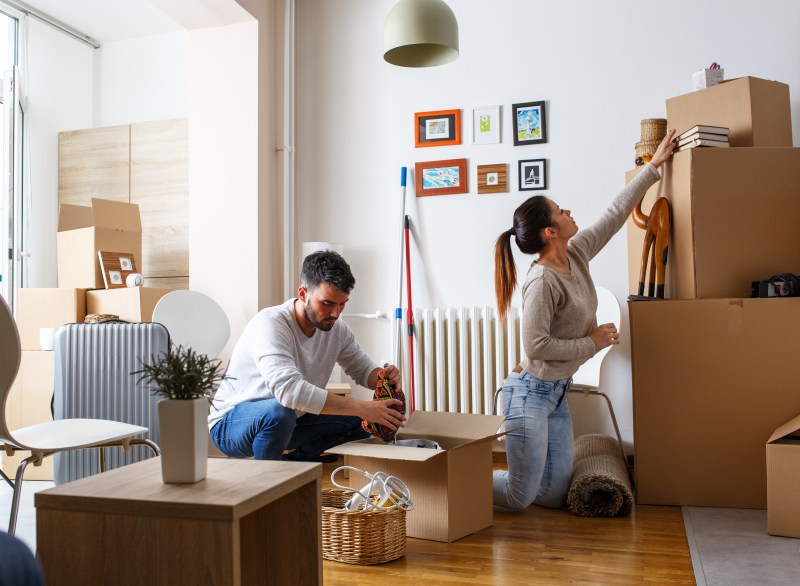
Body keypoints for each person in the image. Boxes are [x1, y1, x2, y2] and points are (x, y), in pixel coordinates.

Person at [492, 130, 677, 510]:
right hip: (529, 393)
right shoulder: (541, 281)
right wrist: (591, 342)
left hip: (556, 392)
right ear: (550, 231)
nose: (569, 212)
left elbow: (613, 216)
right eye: (561, 211)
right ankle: (452, 476)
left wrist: (653, 165)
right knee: (518, 496)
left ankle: (499, 478)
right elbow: (536, 345)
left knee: (555, 495)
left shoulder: (575, 252)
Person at [209, 250, 406, 461]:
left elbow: (362, 369)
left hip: (290, 419)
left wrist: (383, 377)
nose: (335, 313)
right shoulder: (270, 323)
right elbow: (289, 392)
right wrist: (363, 407)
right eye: (327, 303)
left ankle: (295, 466)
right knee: (279, 412)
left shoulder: (338, 329)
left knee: (363, 423)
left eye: (342, 304)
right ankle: (267, 481)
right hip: (231, 424)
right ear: (303, 294)